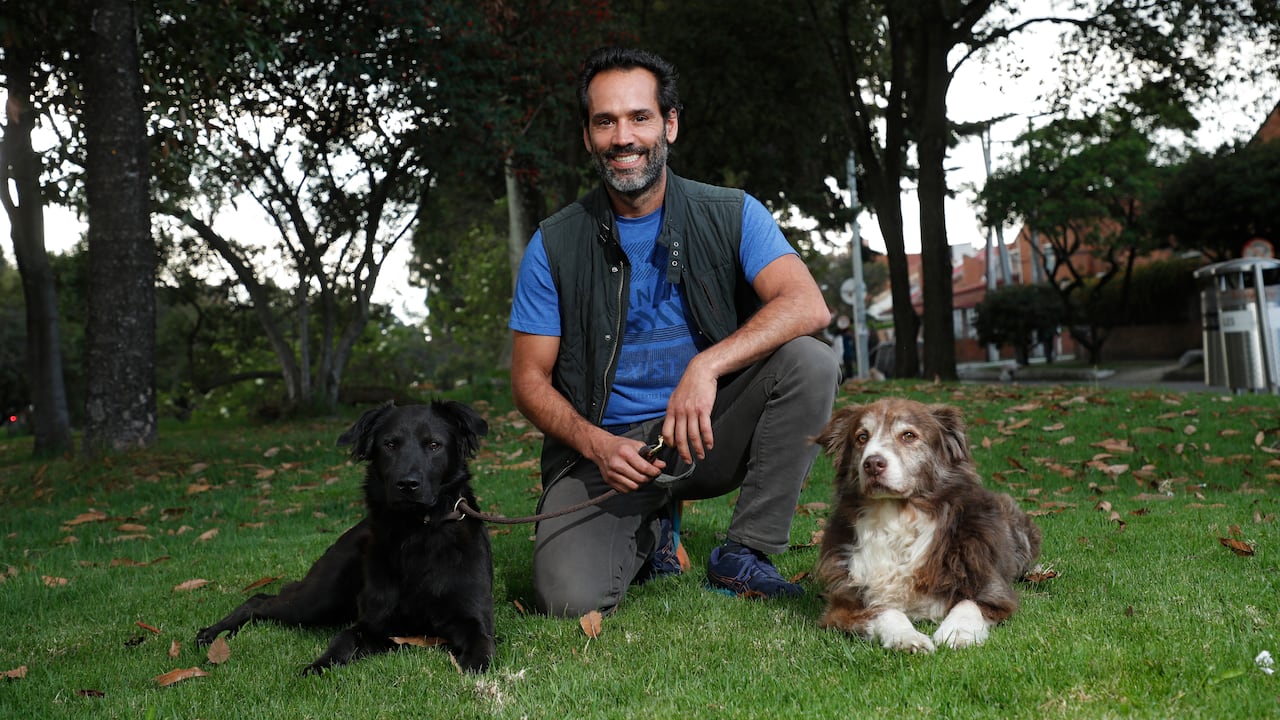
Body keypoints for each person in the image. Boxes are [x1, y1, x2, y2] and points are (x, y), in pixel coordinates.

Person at [508, 47, 839, 618]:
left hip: (706, 430)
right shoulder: (553, 245)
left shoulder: (731, 212)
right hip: (608, 454)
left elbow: (806, 303)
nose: (623, 136)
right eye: (604, 121)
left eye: (639, 117)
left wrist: (705, 366)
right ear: (587, 137)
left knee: (810, 361)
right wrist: (595, 444)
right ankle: (653, 534)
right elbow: (528, 380)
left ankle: (745, 552)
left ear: (670, 124)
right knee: (567, 599)